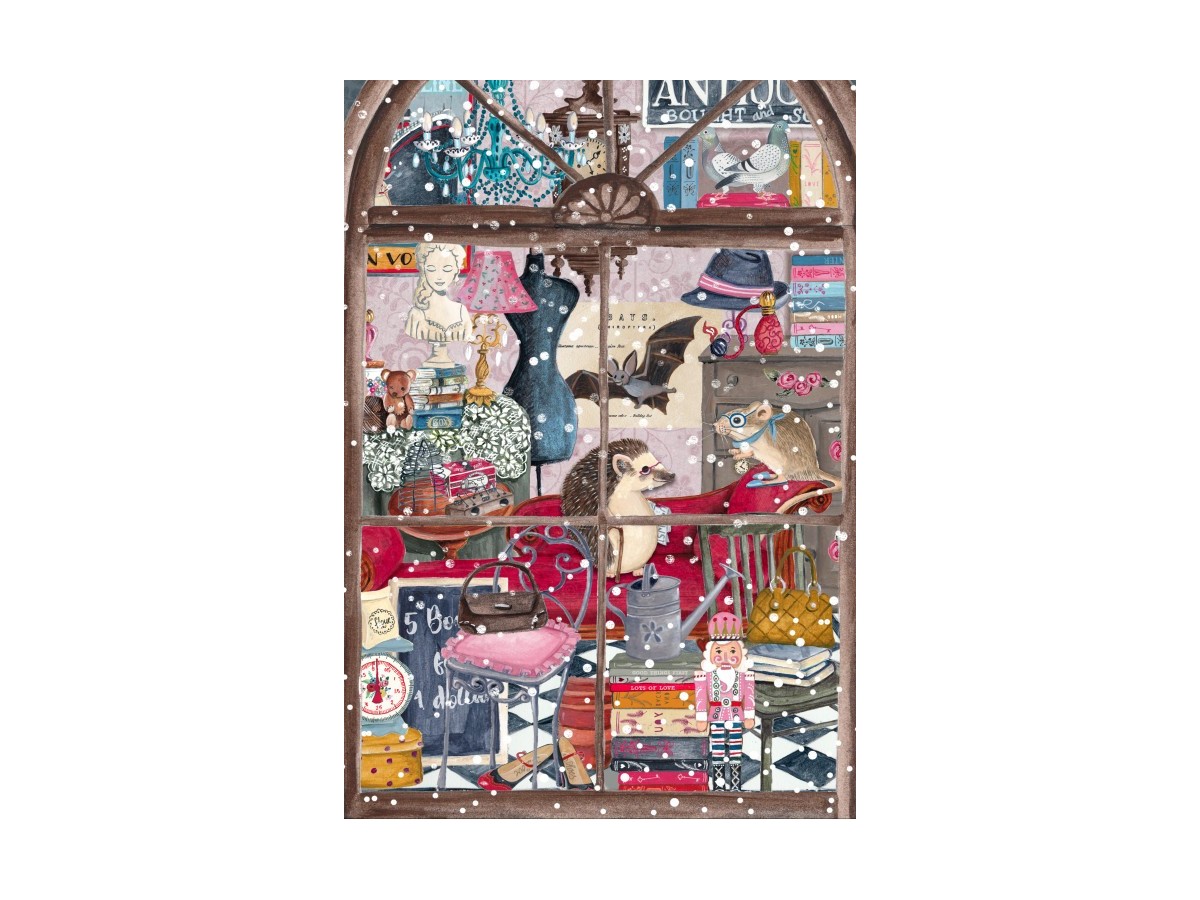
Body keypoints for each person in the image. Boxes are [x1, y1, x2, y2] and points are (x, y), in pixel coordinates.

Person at [694, 612, 756, 791]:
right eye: (719, 652)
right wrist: (701, 718)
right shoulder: (705, 676)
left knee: (736, 749)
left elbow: (748, 696)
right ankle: (718, 784)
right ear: (711, 654)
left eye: (732, 651)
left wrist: (749, 715)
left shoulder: (744, 676)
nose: (726, 656)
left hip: (736, 715)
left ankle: (736, 784)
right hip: (716, 715)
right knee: (718, 749)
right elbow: (701, 697)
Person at [404, 242, 471, 350]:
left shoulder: (461, 312)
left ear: (456, 271)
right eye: (431, 269)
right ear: (423, 270)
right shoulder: (416, 314)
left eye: (447, 269)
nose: (439, 276)